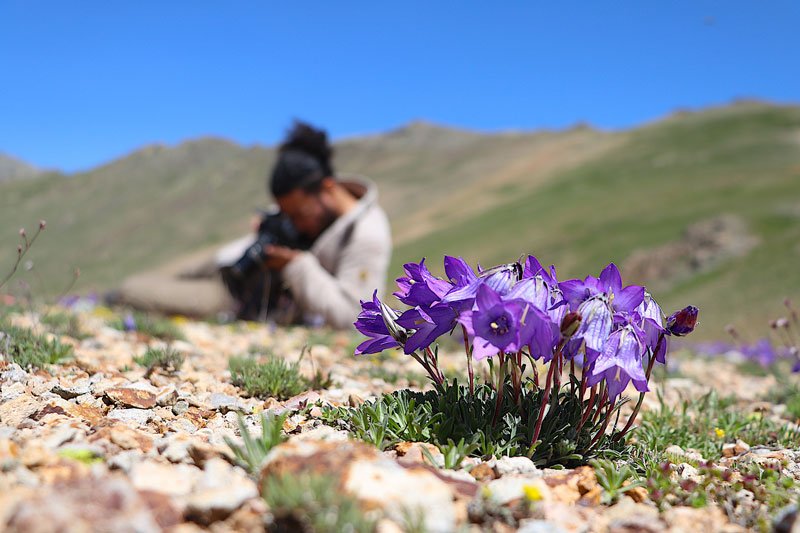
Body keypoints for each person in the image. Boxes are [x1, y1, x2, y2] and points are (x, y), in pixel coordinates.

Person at [115, 121, 392, 329]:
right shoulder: (311, 199)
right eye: (286, 214)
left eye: (297, 215)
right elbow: (293, 216)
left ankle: (109, 300)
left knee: (134, 289)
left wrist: (294, 265)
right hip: (233, 259)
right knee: (167, 275)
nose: (294, 223)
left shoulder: (367, 235)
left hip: (234, 295)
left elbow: (354, 316)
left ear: (328, 187)